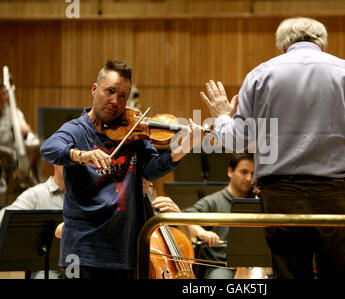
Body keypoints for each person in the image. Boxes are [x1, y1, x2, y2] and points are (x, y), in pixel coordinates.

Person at [200, 17, 345, 279]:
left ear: (283, 45)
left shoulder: (260, 76)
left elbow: (237, 140)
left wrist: (221, 116)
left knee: (290, 275)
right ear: (322, 42)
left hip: (280, 194)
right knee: (340, 275)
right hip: (332, 194)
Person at [40, 59, 203, 279]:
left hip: (125, 250)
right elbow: (49, 148)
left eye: (123, 96)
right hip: (82, 249)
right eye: (110, 91)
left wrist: (184, 147)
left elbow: (152, 170)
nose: (116, 101)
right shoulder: (77, 131)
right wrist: (81, 155)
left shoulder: (134, 133)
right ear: (94, 89)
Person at [0, 164, 65, 279]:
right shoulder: (36, 194)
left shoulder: (84, 195)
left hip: (80, 262)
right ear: (56, 162)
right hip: (47, 268)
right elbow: (4, 217)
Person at [0, 83, 40, 205]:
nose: (3, 98)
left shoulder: (14, 113)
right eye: (0, 95)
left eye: (4, 94)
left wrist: (25, 132)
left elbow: (31, 137)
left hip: (10, 159)